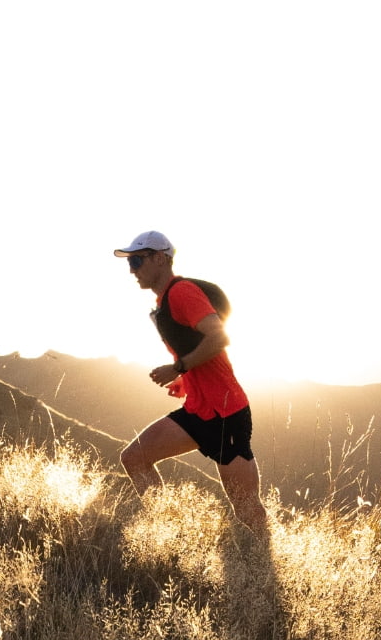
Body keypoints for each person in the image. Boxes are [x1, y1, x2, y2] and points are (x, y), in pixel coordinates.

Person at [114, 230, 268, 537]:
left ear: (160, 259)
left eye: (137, 261)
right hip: (198, 410)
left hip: (226, 414)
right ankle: (172, 534)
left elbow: (220, 336)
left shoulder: (182, 293)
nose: (132, 269)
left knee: (247, 510)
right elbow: (197, 346)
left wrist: (179, 367)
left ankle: (266, 565)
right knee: (134, 458)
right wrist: (186, 379)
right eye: (130, 263)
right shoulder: (165, 301)